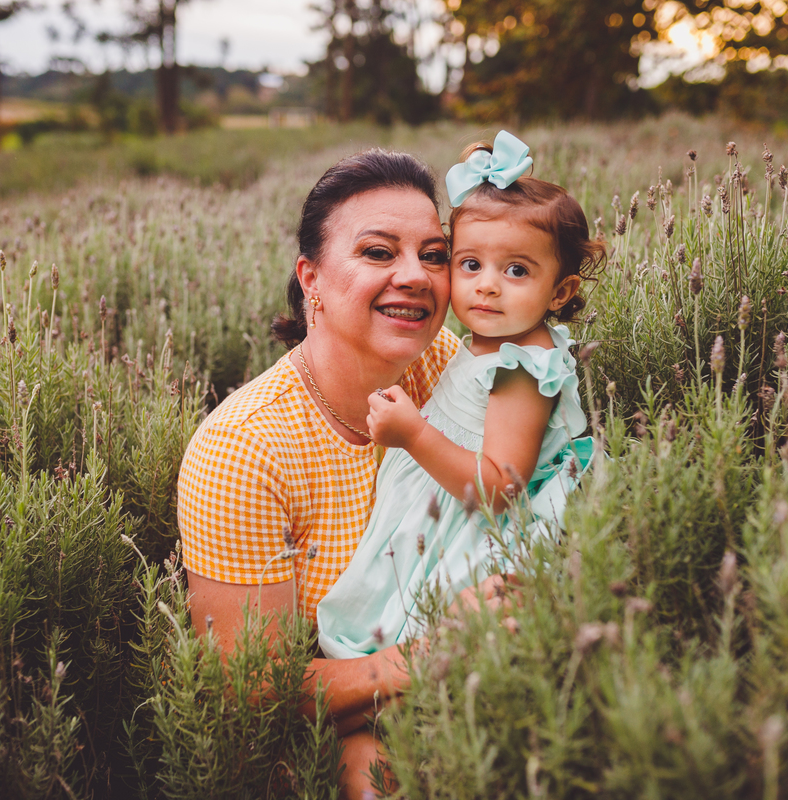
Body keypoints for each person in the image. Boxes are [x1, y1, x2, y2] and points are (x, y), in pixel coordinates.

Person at [176, 147, 469, 799]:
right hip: (315, 755)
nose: (415, 276)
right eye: (378, 252)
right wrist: (430, 659)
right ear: (310, 278)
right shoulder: (244, 449)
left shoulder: (445, 364)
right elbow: (250, 690)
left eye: (434, 253)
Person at [316, 131, 605, 659]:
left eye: (517, 270)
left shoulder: (521, 367)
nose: (488, 286)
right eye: (470, 264)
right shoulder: (491, 342)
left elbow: (499, 488)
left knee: (423, 631)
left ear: (560, 291)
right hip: (450, 511)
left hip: (474, 534)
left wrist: (414, 435)